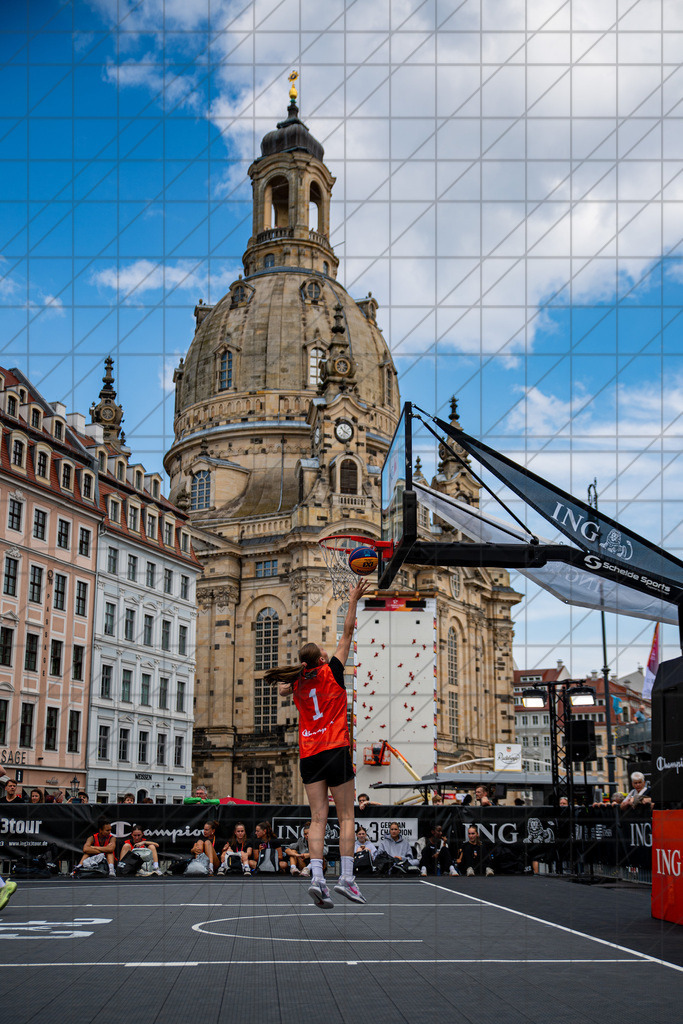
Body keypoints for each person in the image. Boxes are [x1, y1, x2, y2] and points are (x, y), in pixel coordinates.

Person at [275, 579, 372, 908]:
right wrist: (354, 598)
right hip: (335, 748)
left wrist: (298, 675)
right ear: (320, 659)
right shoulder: (332, 671)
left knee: (318, 819)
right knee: (346, 818)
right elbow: (347, 632)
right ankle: (346, 878)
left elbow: (282, 691)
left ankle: (317, 877)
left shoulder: (299, 684)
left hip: (309, 754)